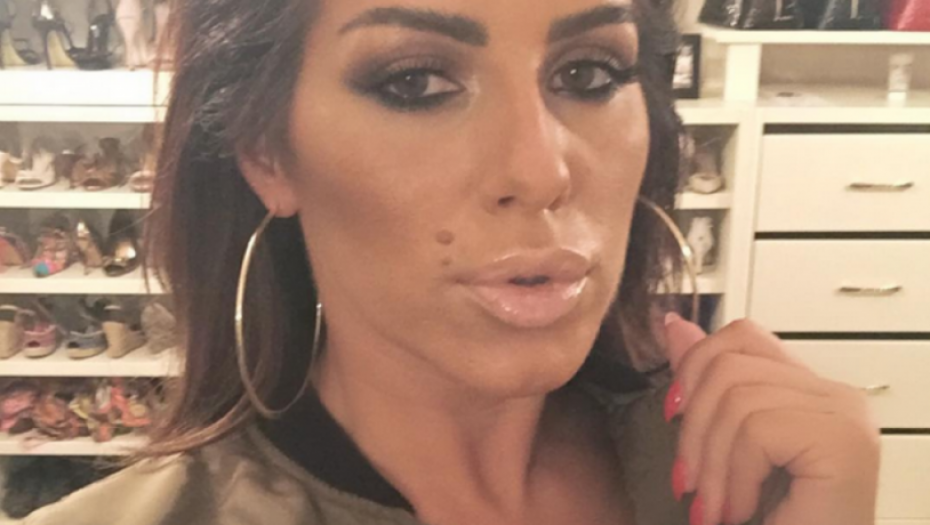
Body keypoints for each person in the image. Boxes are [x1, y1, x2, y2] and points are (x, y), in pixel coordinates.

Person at [21, 1, 880, 524]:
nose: (541, 171)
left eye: (589, 73)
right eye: (417, 83)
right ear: (268, 153)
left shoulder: (747, 477)